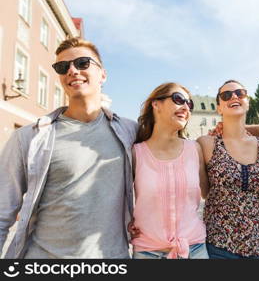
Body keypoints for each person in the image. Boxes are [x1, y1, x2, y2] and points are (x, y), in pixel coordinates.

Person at [0, 37, 137, 258]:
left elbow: (170, 146)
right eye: (63, 67)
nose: (72, 70)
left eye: (83, 63)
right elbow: (2, 212)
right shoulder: (29, 138)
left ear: (103, 75)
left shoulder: (130, 132)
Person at [130, 82, 209, 259]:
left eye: (190, 104)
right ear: (156, 104)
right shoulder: (136, 153)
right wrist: (125, 221)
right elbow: (120, 197)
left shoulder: (195, 149)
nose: (185, 107)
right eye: (178, 99)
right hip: (147, 252)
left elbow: (209, 194)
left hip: (195, 250)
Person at [197, 80, 259, 259]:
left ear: (248, 102)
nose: (234, 96)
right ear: (219, 109)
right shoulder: (206, 144)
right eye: (226, 95)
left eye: (240, 93)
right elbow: (203, 192)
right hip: (219, 246)